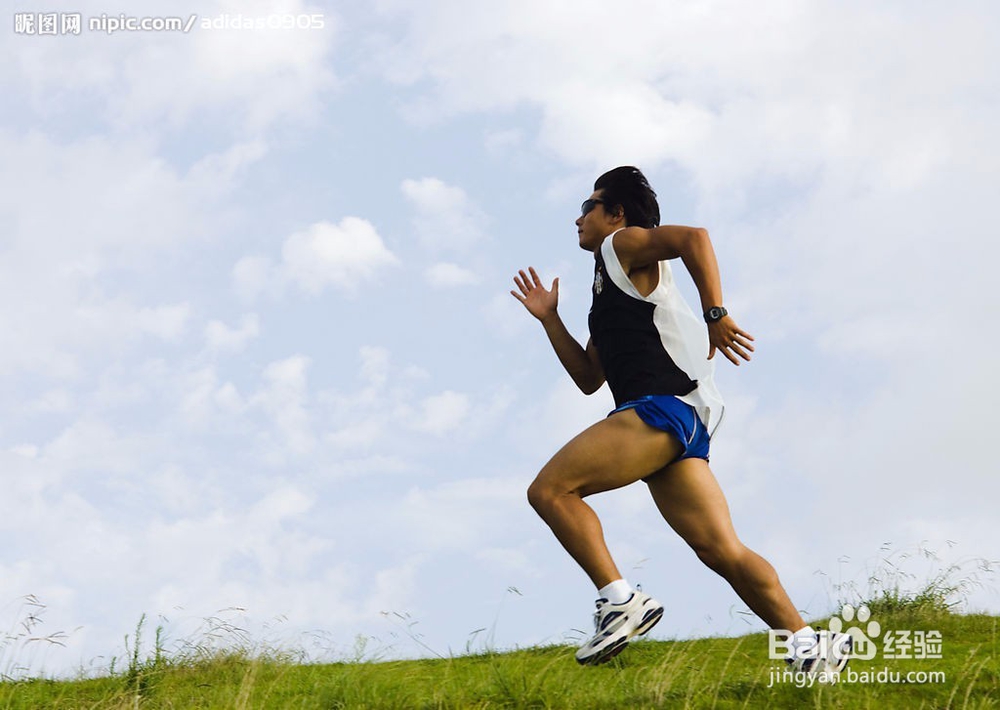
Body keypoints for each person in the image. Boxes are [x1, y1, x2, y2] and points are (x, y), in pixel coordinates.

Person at [511, 166, 851, 670]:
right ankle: (808, 645)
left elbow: (696, 237)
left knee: (550, 491)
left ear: (616, 214)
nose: (578, 218)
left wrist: (717, 314)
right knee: (721, 551)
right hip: (682, 422)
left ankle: (620, 600)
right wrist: (550, 319)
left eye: (587, 207)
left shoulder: (622, 243)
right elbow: (588, 377)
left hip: (659, 410)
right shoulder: (607, 293)